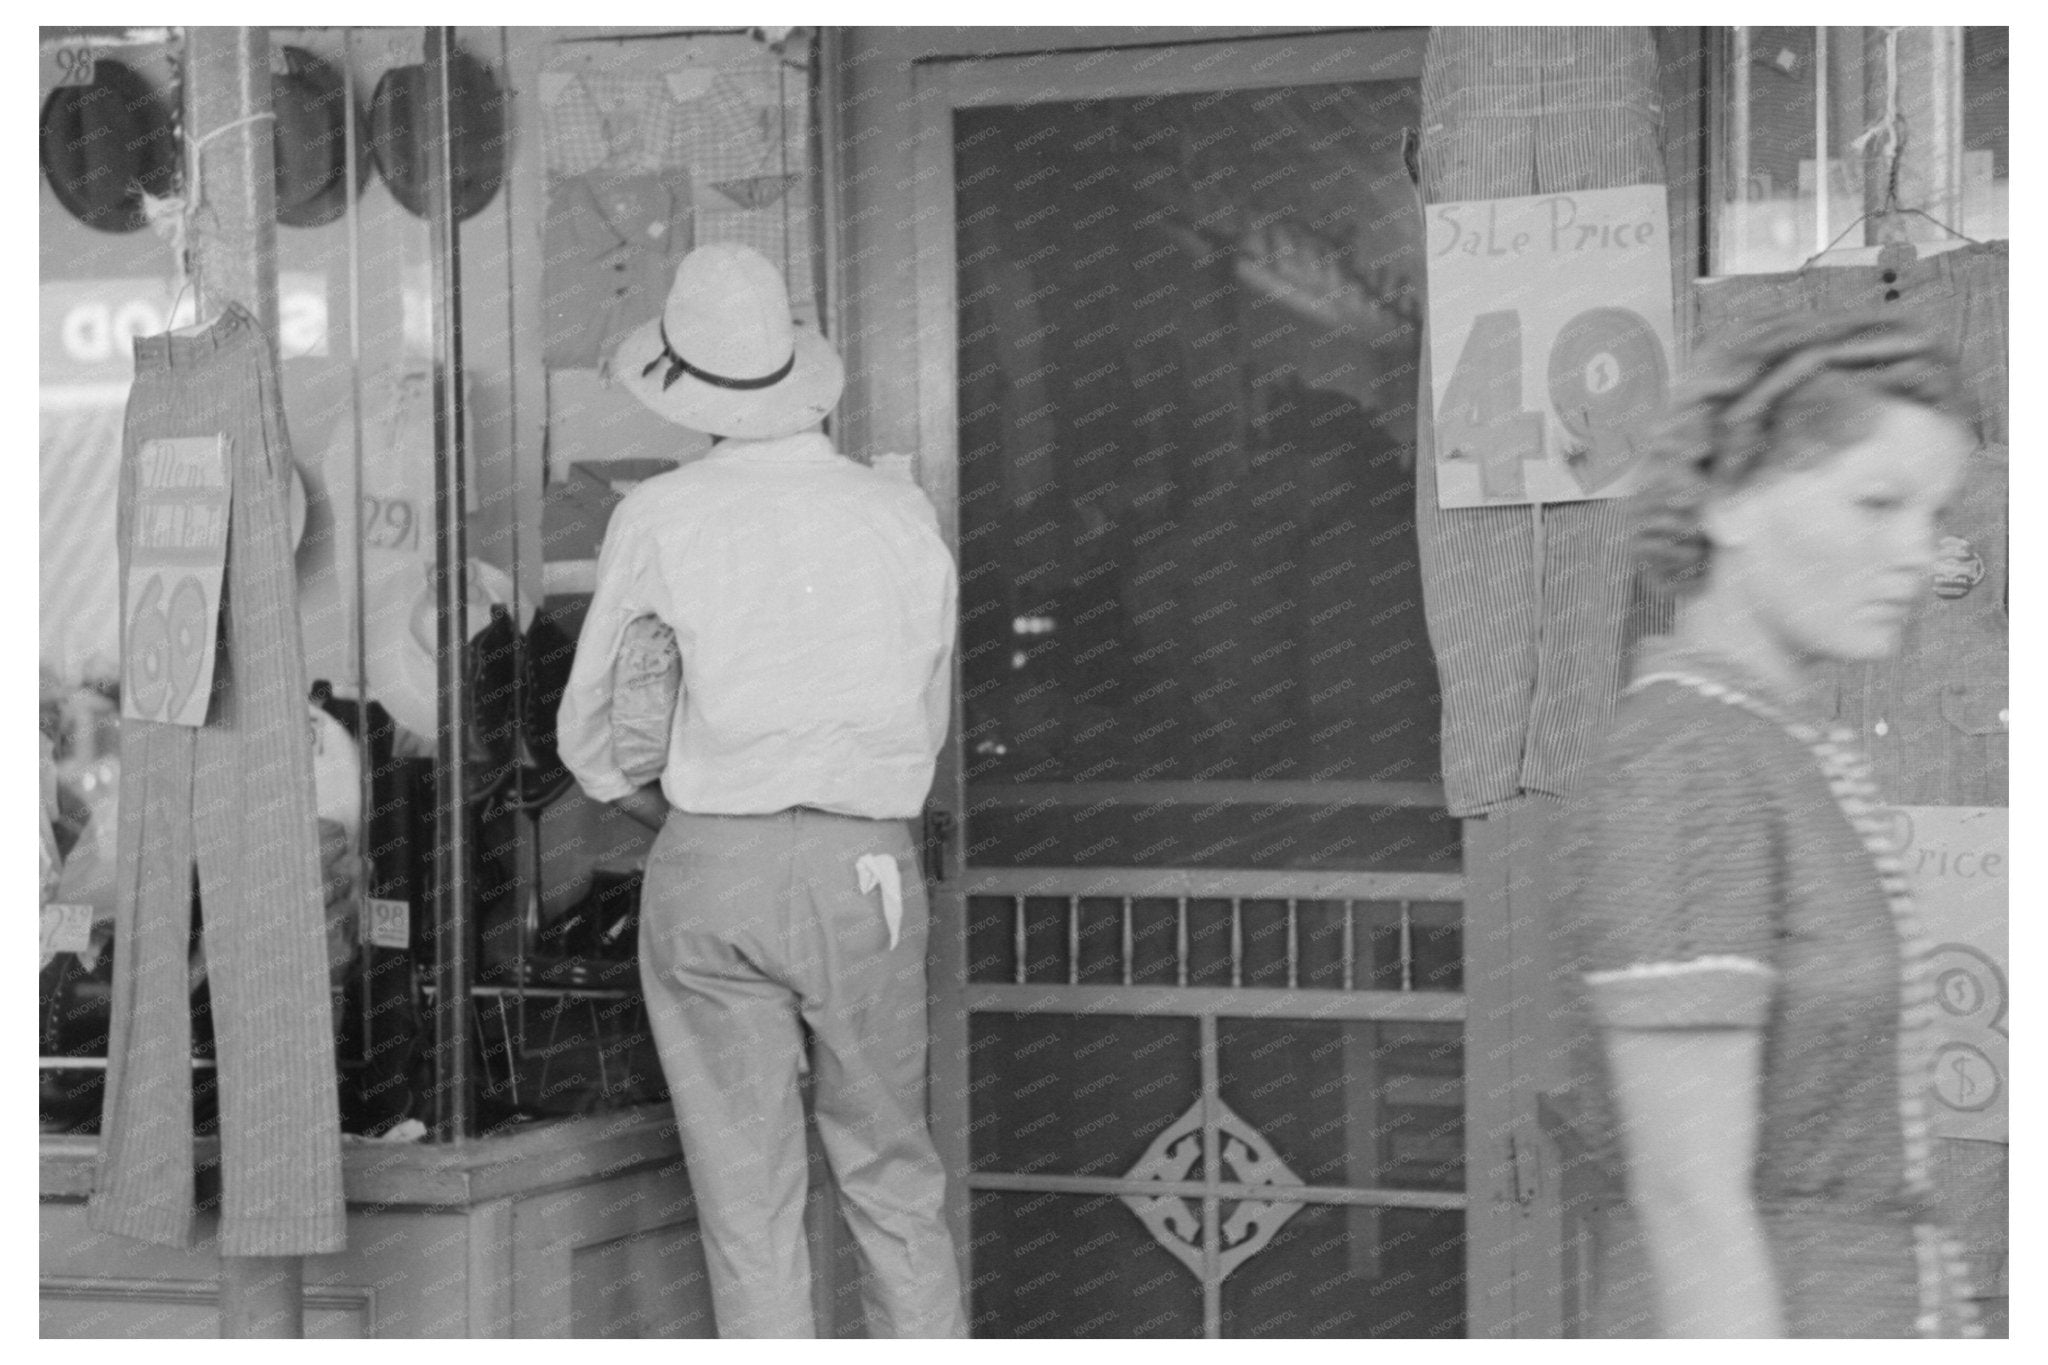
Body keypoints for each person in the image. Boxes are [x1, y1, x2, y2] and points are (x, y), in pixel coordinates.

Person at [556, 242, 966, 1337]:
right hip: (864, 866)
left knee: (747, 1198)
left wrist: (672, 811)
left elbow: (592, 737)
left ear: (686, 390)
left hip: (712, 865)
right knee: (891, 1182)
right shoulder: (897, 515)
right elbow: (921, 725)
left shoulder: (661, 516)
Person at [1552, 310, 1984, 1337]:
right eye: (1876, 504)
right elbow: (1687, 1201)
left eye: (1930, 518)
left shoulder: (1766, 742)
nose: (1916, 558)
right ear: (1728, 500)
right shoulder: (1689, 764)